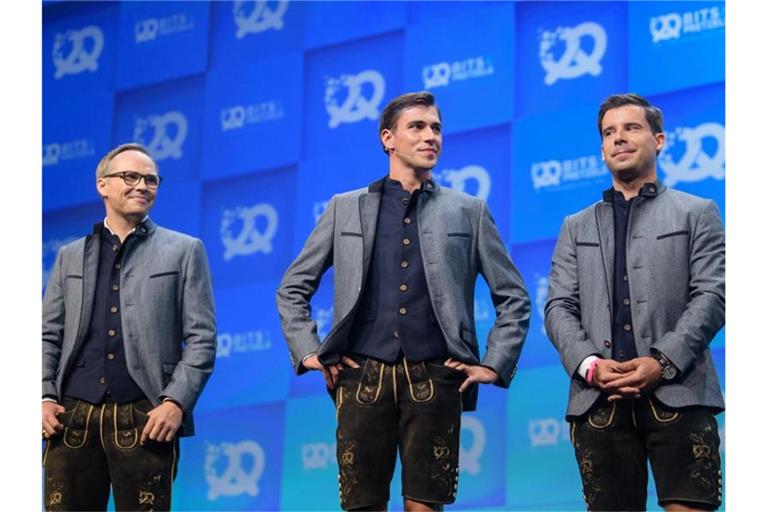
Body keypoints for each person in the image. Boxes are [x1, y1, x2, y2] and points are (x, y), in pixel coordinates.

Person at [277, 91, 530, 511]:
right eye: (418, 127)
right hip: (361, 378)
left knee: (425, 507)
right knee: (362, 506)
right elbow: (292, 287)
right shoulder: (345, 208)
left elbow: (514, 296)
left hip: (436, 376)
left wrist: (493, 363)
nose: (431, 136)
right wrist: (308, 352)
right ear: (388, 138)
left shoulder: (469, 211)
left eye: (436, 128)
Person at [545, 93, 724, 511]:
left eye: (631, 128)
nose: (619, 138)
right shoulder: (575, 226)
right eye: (609, 132)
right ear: (602, 148)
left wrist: (660, 362)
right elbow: (558, 308)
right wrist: (590, 364)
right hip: (598, 402)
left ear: (659, 139)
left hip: (680, 392)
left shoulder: (696, 212)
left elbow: (713, 295)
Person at [42, 143, 217, 511]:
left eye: (151, 180)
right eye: (130, 177)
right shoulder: (69, 255)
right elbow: (48, 336)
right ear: (102, 185)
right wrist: (43, 398)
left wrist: (176, 403)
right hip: (72, 416)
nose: (142, 185)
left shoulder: (184, 250)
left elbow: (202, 339)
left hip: (147, 416)